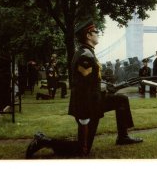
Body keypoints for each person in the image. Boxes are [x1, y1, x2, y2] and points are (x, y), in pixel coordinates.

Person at [26, 19, 143, 159]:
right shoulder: (85, 56)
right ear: (88, 35)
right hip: (88, 105)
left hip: (94, 100)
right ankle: (43, 141)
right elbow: (84, 87)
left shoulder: (88, 52)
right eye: (95, 32)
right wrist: (85, 116)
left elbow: (93, 80)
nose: (97, 34)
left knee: (121, 100)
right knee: (82, 150)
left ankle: (123, 137)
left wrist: (108, 87)